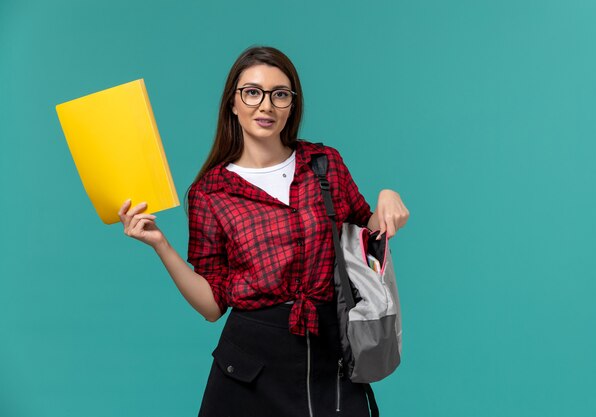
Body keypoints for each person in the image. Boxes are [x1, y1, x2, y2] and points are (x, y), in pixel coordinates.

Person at [118, 46, 410, 417]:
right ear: (233, 103)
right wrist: (160, 244)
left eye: (280, 94)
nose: (266, 105)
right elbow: (212, 306)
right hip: (248, 370)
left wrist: (388, 197)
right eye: (252, 92)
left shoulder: (324, 165)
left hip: (329, 357)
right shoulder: (210, 193)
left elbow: (368, 233)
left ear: (292, 104)